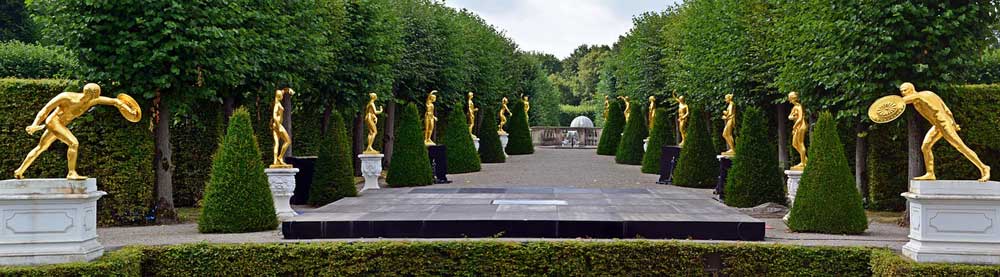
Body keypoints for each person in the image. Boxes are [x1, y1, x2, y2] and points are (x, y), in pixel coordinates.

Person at [14, 83, 140, 180]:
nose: (95, 98)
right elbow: (45, 110)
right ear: (90, 94)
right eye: (95, 96)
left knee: (41, 147)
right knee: (73, 143)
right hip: (53, 122)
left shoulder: (92, 100)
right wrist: (35, 124)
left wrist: (130, 111)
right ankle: (71, 172)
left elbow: (115, 101)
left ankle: (19, 171)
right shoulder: (66, 97)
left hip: (61, 124)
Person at [900, 82, 990, 182]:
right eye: (902, 91)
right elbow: (946, 109)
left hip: (943, 123)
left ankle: (984, 168)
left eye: (905, 90)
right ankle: (930, 173)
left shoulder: (922, 95)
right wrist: (954, 123)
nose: (903, 93)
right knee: (925, 147)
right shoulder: (916, 102)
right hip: (938, 126)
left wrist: (890, 103)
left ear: (912, 88)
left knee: (961, 146)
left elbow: (903, 101)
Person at [270, 88, 295, 168]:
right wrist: (278, 126)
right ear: (280, 96)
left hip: (275, 125)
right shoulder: (277, 104)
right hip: (278, 125)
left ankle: (275, 161)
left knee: (277, 143)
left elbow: (283, 91)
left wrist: (289, 90)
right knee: (288, 141)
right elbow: (274, 116)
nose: (283, 96)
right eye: (282, 95)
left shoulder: (277, 101)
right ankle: (280, 157)